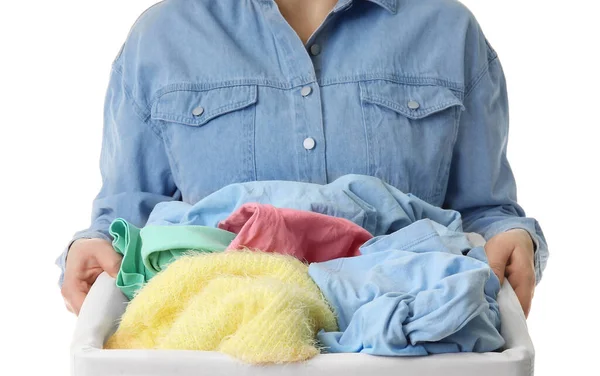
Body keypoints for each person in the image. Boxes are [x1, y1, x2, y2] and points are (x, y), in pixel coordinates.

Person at [57, 0, 548, 317]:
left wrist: (513, 237)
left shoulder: (448, 31)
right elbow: (128, 226)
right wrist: (92, 247)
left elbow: (484, 213)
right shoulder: (161, 38)